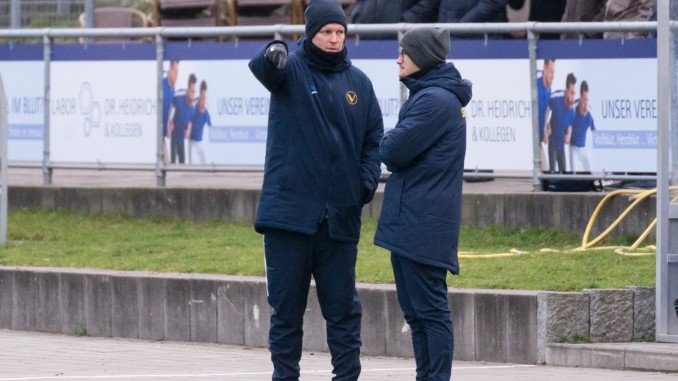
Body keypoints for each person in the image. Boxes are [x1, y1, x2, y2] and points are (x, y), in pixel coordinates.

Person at [248, 0, 384, 379]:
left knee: (343, 313)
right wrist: (272, 51)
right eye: (327, 32)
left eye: (340, 32)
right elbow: (263, 69)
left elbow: (374, 139)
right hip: (288, 218)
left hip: (339, 221)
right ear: (311, 33)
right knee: (286, 313)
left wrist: (365, 183)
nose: (334, 39)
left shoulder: (359, 83)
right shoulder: (290, 68)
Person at [374, 27, 472, 381]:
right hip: (412, 221)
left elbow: (392, 150)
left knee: (429, 312)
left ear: (423, 58)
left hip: (423, 223)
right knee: (416, 314)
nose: (397, 59)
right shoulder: (430, 95)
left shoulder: (435, 101)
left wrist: (388, 142)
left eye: (404, 52)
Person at [544, 72, 576, 173]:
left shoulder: (572, 110)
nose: (572, 96)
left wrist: (569, 135)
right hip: (552, 140)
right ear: (566, 90)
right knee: (552, 171)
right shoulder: (556, 97)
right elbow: (546, 110)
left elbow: (570, 126)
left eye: (574, 93)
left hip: (561, 145)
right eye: (571, 92)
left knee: (564, 172)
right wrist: (545, 128)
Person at [168, 73, 196, 164]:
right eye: (191, 91)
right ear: (188, 89)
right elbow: (170, 106)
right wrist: (169, 122)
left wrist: (188, 130)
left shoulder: (192, 109)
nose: (193, 95)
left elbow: (190, 122)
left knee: (183, 164)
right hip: (174, 137)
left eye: (194, 92)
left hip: (182, 140)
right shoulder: (179, 96)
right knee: (172, 162)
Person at [569, 80, 596, 172]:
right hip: (572, 146)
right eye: (584, 99)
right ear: (580, 97)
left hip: (582, 147)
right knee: (573, 172)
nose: (586, 102)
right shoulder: (572, 108)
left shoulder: (589, 112)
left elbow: (594, 130)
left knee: (590, 170)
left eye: (587, 99)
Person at [351, 0, 439, 24]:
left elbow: (429, 3)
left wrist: (407, 19)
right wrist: (359, 15)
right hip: (366, 38)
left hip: (402, 37)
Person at [537, 59, 554, 171]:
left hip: (538, 137)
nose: (553, 76)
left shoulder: (548, 91)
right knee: (545, 170)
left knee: (545, 171)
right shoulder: (535, 86)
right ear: (545, 68)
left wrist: (545, 131)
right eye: (551, 72)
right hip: (530, 137)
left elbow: (547, 112)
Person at [189, 80, 211, 165]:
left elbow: (210, 125)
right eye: (202, 95)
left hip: (199, 141)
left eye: (204, 96)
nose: (203, 98)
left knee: (204, 162)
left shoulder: (207, 110)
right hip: (191, 140)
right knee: (190, 164)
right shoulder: (193, 104)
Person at [162, 61, 179, 164]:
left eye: (178, 73)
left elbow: (171, 109)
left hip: (163, 133)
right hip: (157, 133)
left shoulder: (173, 89)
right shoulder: (161, 85)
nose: (176, 76)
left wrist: (170, 123)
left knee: (167, 164)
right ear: (170, 69)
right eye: (175, 72)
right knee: (166, 163)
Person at [438, 0, 508, 23]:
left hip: (481, 37)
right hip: (446, 36)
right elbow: (430, 6)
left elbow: (492, 2)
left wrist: (463, 25)